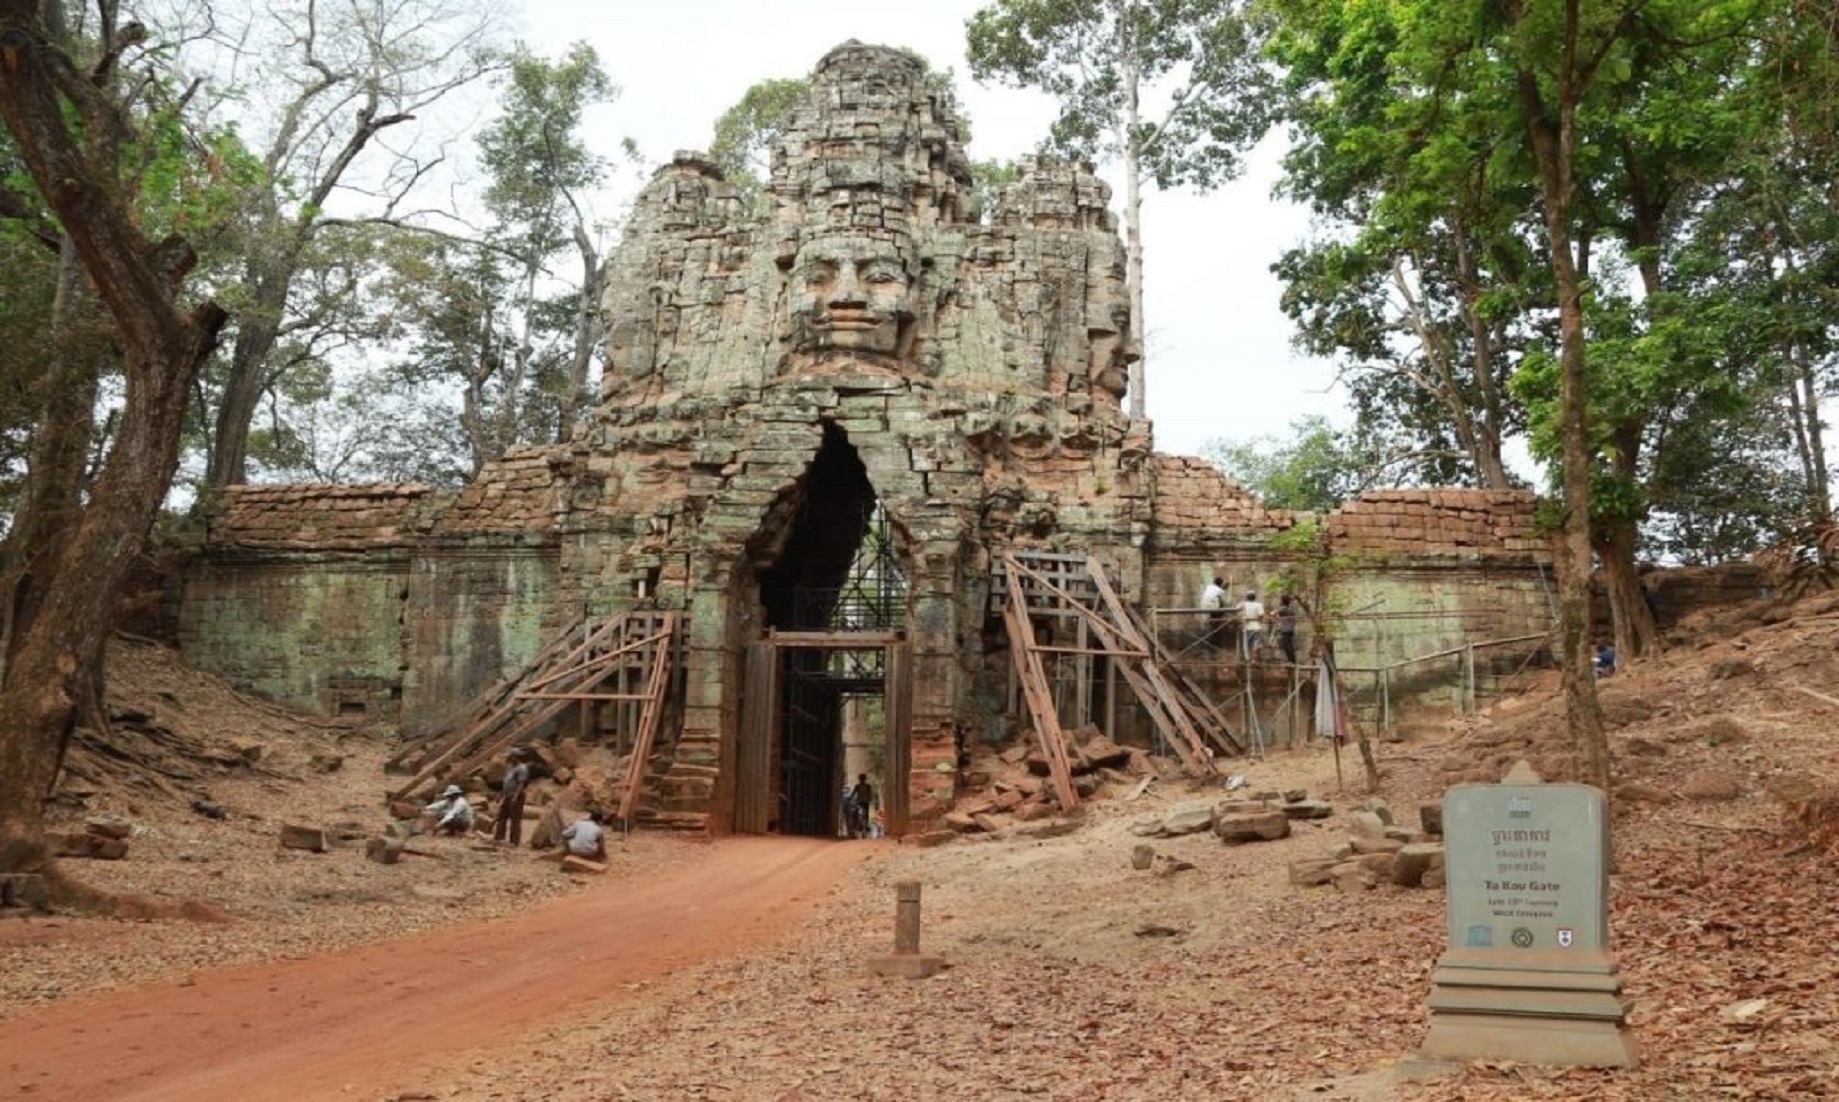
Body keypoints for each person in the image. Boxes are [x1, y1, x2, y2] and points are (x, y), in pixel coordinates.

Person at [493, 749, 533, 846]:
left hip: (516, 796)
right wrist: (501, 794)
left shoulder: (522, 768)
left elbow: (521, 784)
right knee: (502, 817)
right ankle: (498, 838)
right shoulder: (511, 768)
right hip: (507, 795)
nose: (509, 758)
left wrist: (515, 797)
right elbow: (506, 783)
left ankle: (514, 842)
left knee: (515, 819)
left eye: (511, 757)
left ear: (516, 757)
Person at [1200, 576, 1228, 649]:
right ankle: (1214, 643)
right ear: (1221, 584)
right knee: (1215, 627)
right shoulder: (1219, 590)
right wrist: (1225, 587)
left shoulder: (1209, 587)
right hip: (1214, 609)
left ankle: (1215, 623)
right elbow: (1223, 594)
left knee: (1213, 625)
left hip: (1205, 607)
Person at [848, 773, 876, 839]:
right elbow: (869, 795)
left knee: (860, 814)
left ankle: (862, 825)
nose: (862, 780)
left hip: (861, 802)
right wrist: (870, 799)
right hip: (863, 802)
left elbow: (853, 794)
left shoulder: (858, 786)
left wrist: (850, 798)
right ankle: (865, 826)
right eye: (861, 778)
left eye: (862, 778)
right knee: (865, 814)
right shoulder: (865, 786)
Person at [1239, 591, 1267, 658]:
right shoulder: (1259, 605)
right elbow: (1261, 616)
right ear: (1255, 597)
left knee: (1248, 644)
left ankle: (1249, 658)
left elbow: (1238, 612)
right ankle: (1254, 659)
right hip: (1256, 627)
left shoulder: (1243, 605)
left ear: (1247, 597)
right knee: (1256, 644)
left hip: (1246, 627)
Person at [1274, 593, 1298, 666]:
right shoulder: (1290, 609)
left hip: (1286, 629)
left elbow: (1272, 613)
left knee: (1287, 646)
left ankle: (1292, 662)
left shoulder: (1283, 609)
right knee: (1288, 645)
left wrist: (1278, 617)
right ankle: (1291, 661)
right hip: (1290, 629)